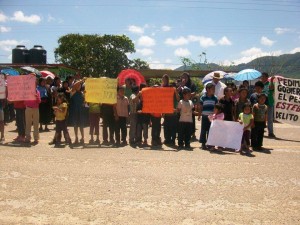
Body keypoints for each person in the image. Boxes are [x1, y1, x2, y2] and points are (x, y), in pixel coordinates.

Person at [198, 83, 218, 150]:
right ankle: (203, 143)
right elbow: (200, 107)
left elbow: (216, 107)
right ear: (207, 89)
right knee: (203, 130)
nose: (214, 90)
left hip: (212, 117)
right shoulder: (203, 97)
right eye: (213, 89)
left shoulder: (215, 98)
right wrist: (199, 115)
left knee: (210, 130)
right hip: (204, 116)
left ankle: (210, 143)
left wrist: (215, 115)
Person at [162, 74, 179, 145]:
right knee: (166, 127)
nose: (164, 80)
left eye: (165, 79)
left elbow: (178, 99)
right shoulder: (162, 88)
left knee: (173, 127)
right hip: (166, 111)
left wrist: (175, 91)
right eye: (163, 79)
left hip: (173, 111)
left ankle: (173, 140)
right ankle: (167, 139)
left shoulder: (172, 89)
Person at [68, 79, 85, 145]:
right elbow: (74, 86)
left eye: (80, 85)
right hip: (74, 111)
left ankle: (82, 138)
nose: (79, 86)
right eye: (78, 85)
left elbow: (85, 102)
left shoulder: (82, 93)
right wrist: (81, 80)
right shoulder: (73, 92)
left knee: (81, 125)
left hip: (81, 111)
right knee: (75, 125)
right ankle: (76, 138)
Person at [260, 72, 276, 138]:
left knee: (269, 119)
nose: (262, 78)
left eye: (263, 76)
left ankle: (271, 132)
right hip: (261, 104)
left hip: (269, 103)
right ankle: (260, 131)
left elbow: (272, 88)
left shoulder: (270, 83)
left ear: (267, 77)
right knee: (261, 118)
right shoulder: (260, 85)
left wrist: (271, 81)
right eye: (262, 76)